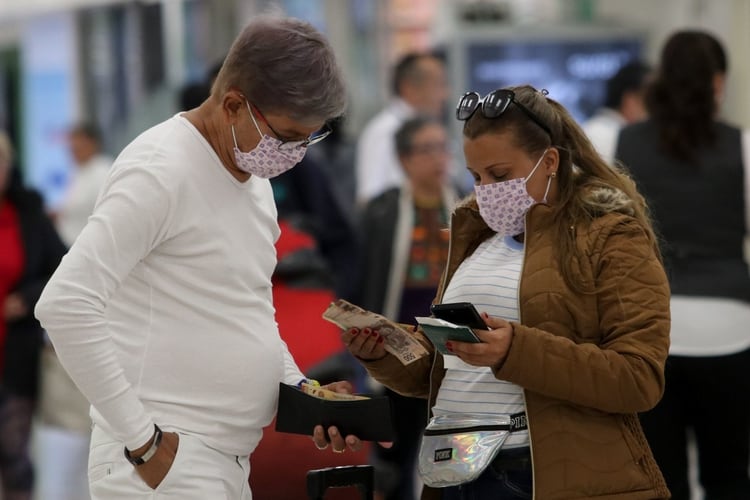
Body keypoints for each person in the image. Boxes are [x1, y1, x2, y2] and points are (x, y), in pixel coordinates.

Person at [34, 15, 364, 500]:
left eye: (310, 139)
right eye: (289, 136)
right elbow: (64, 305)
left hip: (220, 459)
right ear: (233, 104)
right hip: (163, 461)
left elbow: (248, 311)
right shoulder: (159, 170)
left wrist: (301, 392)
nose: (295, 154)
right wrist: (143, 444)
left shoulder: (253, 183)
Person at [321, 85, 672, 499]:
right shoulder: (474, 240)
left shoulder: (610, 236)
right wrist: (385, 352)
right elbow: (446, 370)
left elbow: (638, 378)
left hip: (536, 474)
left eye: (500, 175)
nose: (486, 189)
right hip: (454, 469)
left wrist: (513, 351)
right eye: (475, 176)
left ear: (550, 162)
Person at [616, 30, 750, 500]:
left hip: (651, 332)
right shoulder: (743, 147)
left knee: (659, 480)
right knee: (730, 477)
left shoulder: (623, 144)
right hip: (732, 330)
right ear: (718, 83)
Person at [358, 117, 458, 500]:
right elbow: (363, 278)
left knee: (448, 453)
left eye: (442, 147)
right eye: (426, 149)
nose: (438, 158)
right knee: (394, 456)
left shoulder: (465, 208)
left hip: (449, 349)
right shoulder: (382, 212)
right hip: (395, 347)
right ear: (404, 159)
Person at [35, 122, 112, 500]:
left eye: (77, 141)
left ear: (91, 141)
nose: (71, 148)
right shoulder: (80, 176)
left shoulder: (103, 171)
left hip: (94, 281)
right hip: (69, 276)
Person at [0, 131, 67, 500]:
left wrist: (27, 297)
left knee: (15, 458)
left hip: (15, 356)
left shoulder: (27, 212)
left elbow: (65, 266)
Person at [355, 51, 449, 205]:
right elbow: (371, 198)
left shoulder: (431, 128)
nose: (445, 94)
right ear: (409, 88)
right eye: (439, 84)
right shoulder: (384, 131)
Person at [581, 60, 651, 164]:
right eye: (650, 102)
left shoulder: (587, 129)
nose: (652, 113)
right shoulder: (620, 139)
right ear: (631, 101)